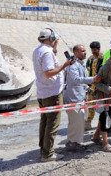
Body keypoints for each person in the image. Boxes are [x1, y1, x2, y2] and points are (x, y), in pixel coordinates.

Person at [33, 28, 75, 162]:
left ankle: (44, 149)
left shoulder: (39, 50)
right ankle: (48, 154)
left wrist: (55, 48)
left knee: (45, 122)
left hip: (43, 92)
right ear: (50, 38)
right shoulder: (46, 52)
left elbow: (49, 63)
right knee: (52, 124)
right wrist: (65, 65)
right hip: (52, 93)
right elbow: (48, 72)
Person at [63, 45, 102, 149]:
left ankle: (77, 142)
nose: (85, 53)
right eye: (82, 51)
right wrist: (92, 79)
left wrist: (87, 88)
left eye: (85, 51)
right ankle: (72, 143)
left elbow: (81, 81)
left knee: (79, 122)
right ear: (76, 53)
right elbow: (76, 79)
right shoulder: (72, 65)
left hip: (80, 98)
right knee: (75, 122)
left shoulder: (80, 64)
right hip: (73, 98)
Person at [85, 41, 104, 131]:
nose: (93, 52)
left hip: (100, 86)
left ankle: (102, 125)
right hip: (91, 85)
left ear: (99, 49)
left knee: (101, 105)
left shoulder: (103, 58)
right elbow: (87, 66)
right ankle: (88, 122)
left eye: (95, 50)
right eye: (92, 50)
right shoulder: (90, 59)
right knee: (90, 104)